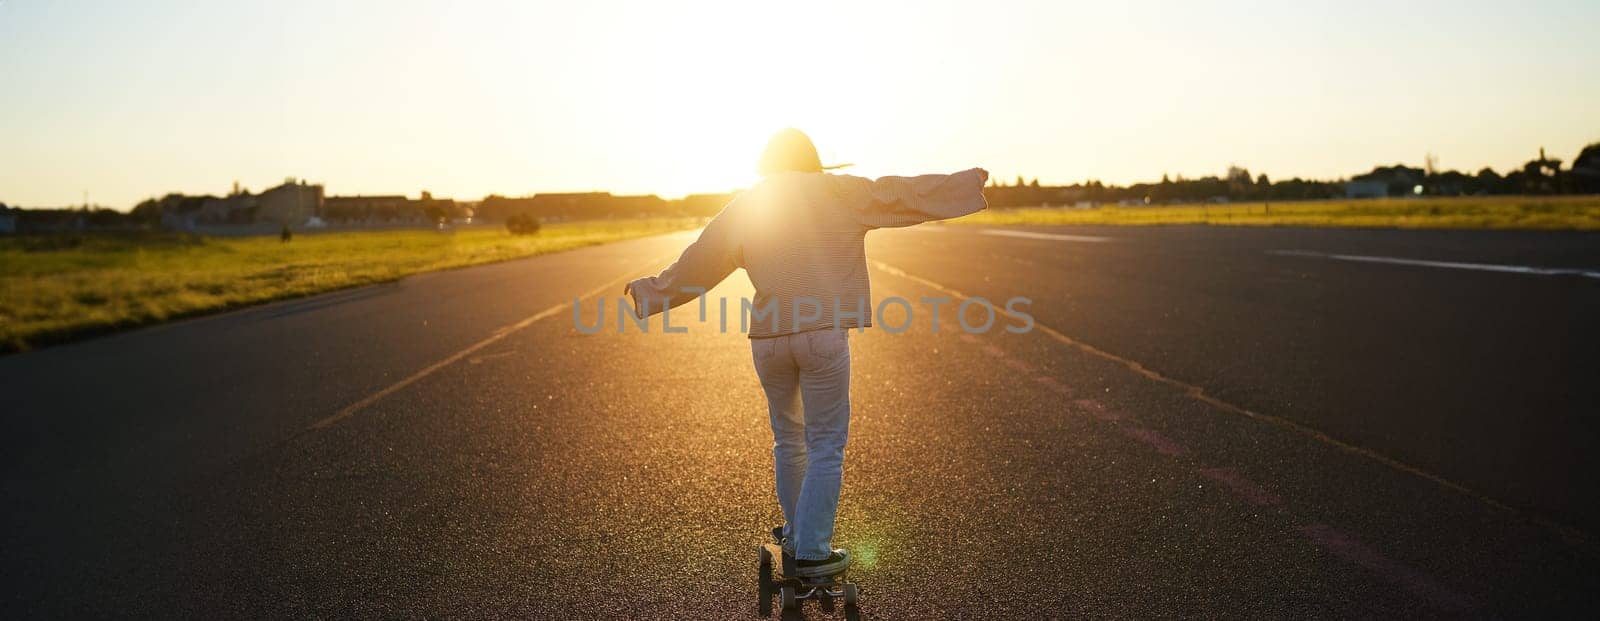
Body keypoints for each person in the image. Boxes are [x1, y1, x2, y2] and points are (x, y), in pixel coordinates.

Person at [625, 128, 987, 577]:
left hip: (769, 338)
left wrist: (651, 293)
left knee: (788, 439)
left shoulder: (749, 203)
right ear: (812, 158)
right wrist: (967, 184)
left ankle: (797, 537)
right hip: (822, 333)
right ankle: (813, 550)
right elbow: (901, 193)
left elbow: (702, 259)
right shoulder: (840, 190)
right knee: (826, 444)